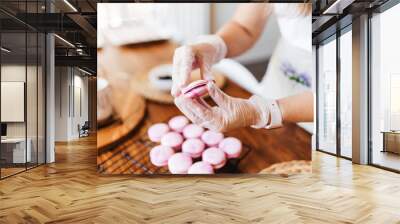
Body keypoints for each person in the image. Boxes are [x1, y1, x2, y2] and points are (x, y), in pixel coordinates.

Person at [171, 3, 313, 132]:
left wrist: (261, 112)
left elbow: (332, 103)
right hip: (283, 73)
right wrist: (213, 46)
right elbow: (244, 27)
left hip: (327, 115)